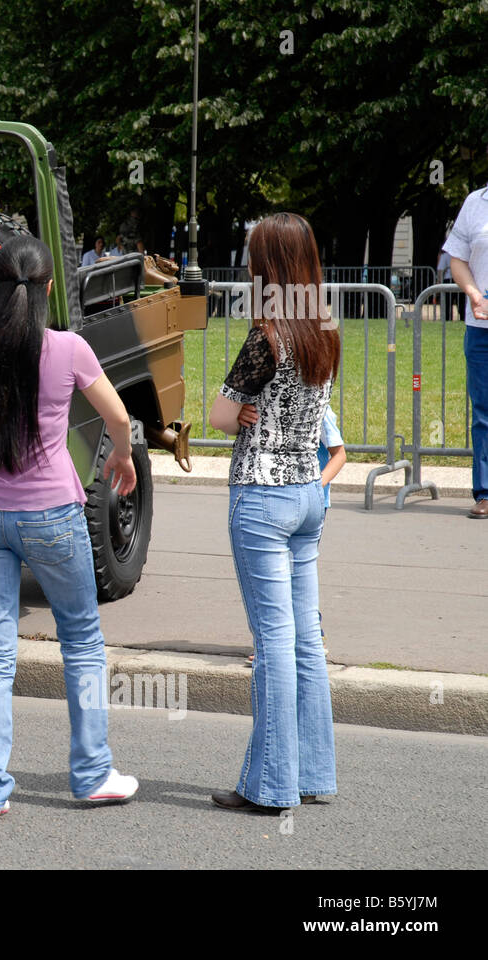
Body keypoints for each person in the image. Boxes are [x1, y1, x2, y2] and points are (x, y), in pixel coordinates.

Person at [0, 235, 140, 820]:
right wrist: (121, 458)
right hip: (52, 515)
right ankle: (92, 773)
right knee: (81, 639)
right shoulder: (69, 349)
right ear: (50, 287)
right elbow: (119, 416)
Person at [208, 211, 341, 812]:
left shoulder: (267, 335)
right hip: (309, 494)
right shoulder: (326, 328)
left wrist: (239, 414)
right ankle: (313, 774)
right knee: (306, 640)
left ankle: (270, 785)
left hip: (262, 493)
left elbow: (217, 414)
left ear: (269, 265)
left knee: (274, 642)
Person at [240, 402, 344, 664]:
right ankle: (274, 643)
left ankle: (312, 637)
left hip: (309, 502)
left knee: (296, 575)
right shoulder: (272, 401)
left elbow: (339, 454)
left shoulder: (318, 406)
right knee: (274, 574)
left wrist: (313, 485)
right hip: (275, 497)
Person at [441, 178, 488, 517]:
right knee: (484, 412)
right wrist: (473, 293)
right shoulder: (475, 202)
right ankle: (485, 493)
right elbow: (456, 258)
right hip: (481, 328)